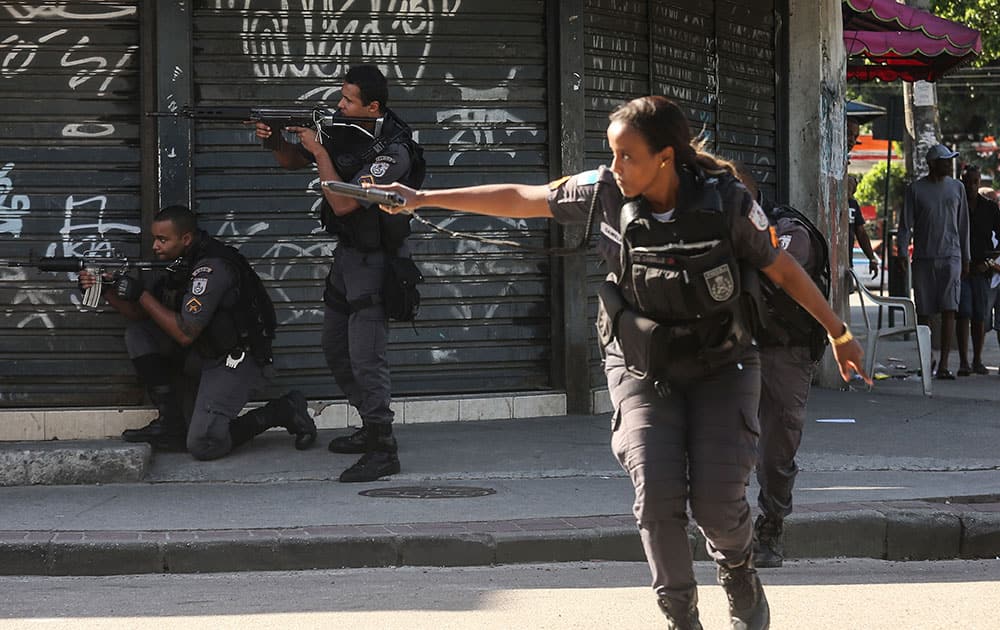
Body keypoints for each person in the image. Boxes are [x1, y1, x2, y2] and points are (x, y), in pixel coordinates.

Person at [370, 96, 869, 630]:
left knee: (719, 504)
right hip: (643, 365)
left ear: (666, 157)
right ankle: (681, 617)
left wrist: (838, 332)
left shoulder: (725, 202)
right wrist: (422, 197)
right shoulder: (604, 192)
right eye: (612, 154)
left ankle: (738, 569)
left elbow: (784, 269)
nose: (615, 166)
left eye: (627, 155)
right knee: (656, 498)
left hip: (724, 364)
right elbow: (524, 197)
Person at [254, 64, 423, 482]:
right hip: (348, 256)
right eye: (341, 97)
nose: (339, 105)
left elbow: (346, 202)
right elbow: (295, 161)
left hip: (377, 260)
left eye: (348, 100)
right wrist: (277, 140)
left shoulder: (394, 151)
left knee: (367, 356)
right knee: (334, 346)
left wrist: (320, 151)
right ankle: (369, 424)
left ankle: (384, 448)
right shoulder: (348, 129)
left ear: (373, 106)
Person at [79, 205, 317, 460]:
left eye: (162, 240)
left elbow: (185, 333)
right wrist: (106, 291)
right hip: (204, 354)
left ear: (186, 239)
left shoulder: (211, 268)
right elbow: (143, 314)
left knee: (204, 443)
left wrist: (141, 294)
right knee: (140, 333)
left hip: (237, 359)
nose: (155, 246)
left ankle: (282, 410)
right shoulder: (180, 263)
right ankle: (171, 424)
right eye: (154, 239)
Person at [736, 173, 830, 570]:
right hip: (737, 348)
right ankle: (731, 532)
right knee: (724, 444)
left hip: (785, 351)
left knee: (775, 452)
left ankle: (770, 525)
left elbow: (783, 265)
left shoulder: (788, 228)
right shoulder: (713, 228)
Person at [897, 144, 970, 380]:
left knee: (950, 309)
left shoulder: (957, 188)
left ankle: (946, 364)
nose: (949, 164)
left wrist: (966, 257)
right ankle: (926, 361)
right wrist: (901, 252)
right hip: (924, 258)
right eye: (945, 161)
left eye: (950, 160)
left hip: (952, 256)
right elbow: (905, 226)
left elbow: (963, 226)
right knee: (924, 312)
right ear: (932, 164)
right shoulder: (916, 190)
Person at [955, 166, 1000, 376]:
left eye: (975, 182)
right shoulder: (956, 205)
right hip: (961, 269)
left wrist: (990, 263)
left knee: (980, 316)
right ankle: (964, 361)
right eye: (967, 182)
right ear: (961, 182)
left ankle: (977, 360)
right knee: (963, 313)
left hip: (982, 269)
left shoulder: (990, 208)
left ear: (979, 182)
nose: (971, 186)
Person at [848, 175, 879, 279]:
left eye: (851, 186)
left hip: (846, 263)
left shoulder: (852, 204)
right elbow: (861, 233)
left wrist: (872, 258)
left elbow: (861, 233)